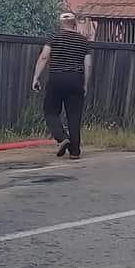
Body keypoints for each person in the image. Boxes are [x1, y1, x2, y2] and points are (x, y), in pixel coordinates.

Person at [32, 12, 91, 159]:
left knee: (50, 111)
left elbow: (44, 56)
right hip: (76, 80)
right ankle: (75, 152)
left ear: (61, 24)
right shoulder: (83, 41)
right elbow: (88, 64)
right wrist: (85, 84)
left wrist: (36, 77)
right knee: (74, 116)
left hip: (57, 79)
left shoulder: (54, 37)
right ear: (74, 23)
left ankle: (61, 137)